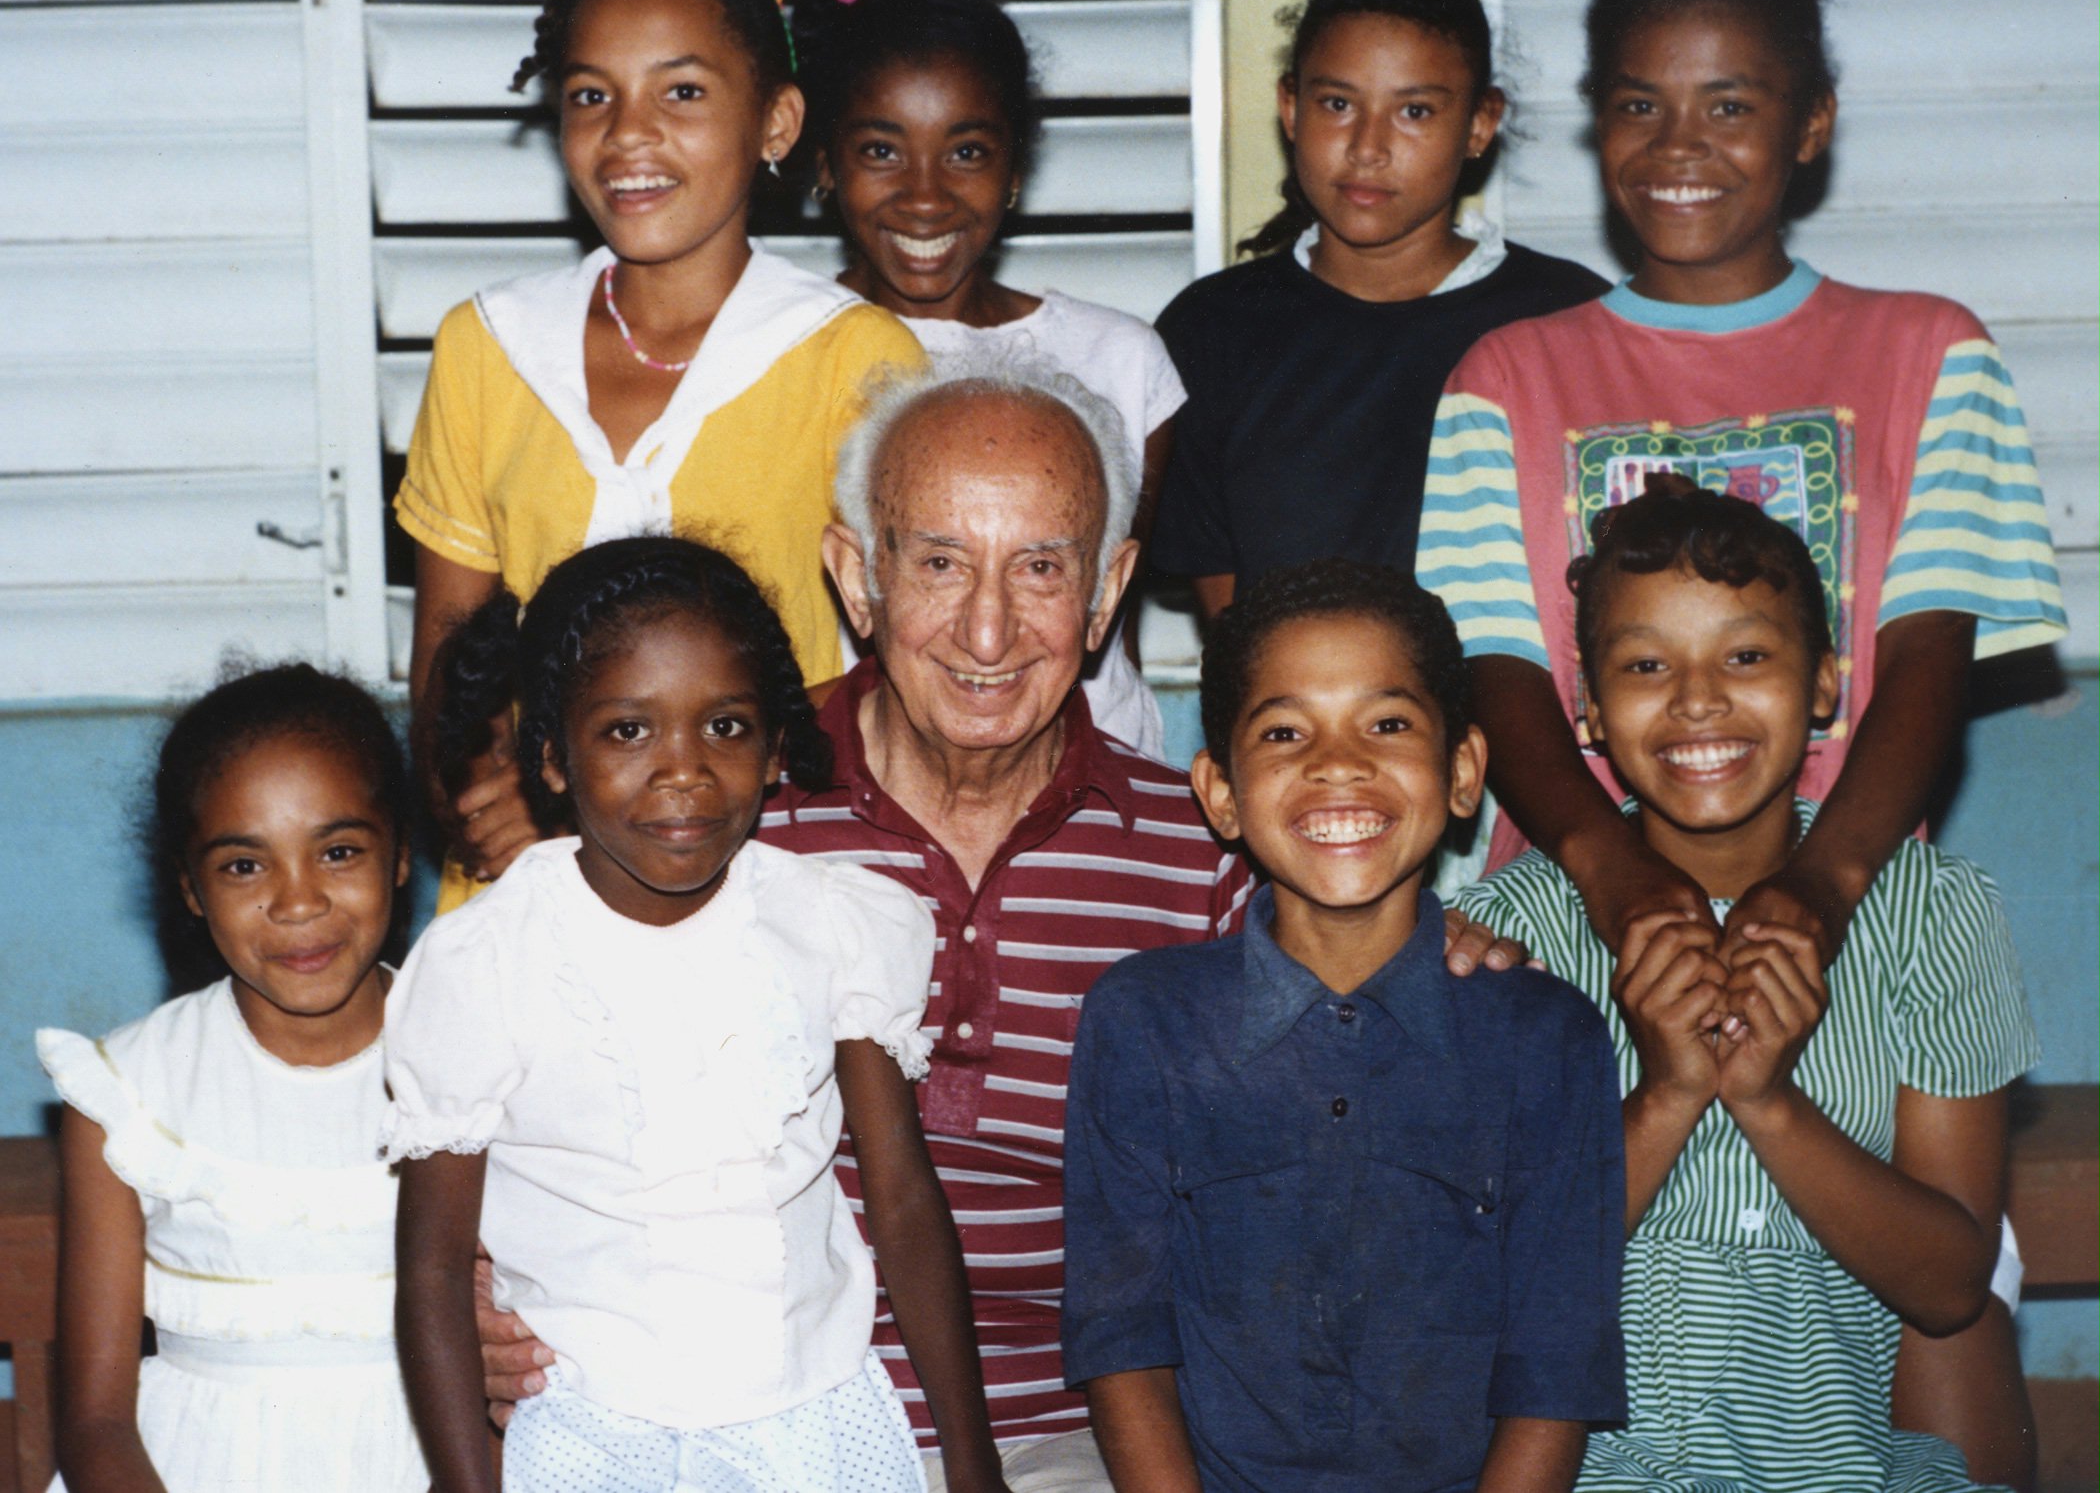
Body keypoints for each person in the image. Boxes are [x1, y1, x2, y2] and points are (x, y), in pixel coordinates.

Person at [472, 361, 1528, 1492]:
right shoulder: (709, 823)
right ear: (857, 576)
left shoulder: (1208, 857)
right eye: (937, 562)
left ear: (1108, 588)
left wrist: (1422, 941)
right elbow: (504, 1105)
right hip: (747, 1425)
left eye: (1040, 566)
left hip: (1089, 1439)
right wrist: (486, 1288)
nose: (988, 627)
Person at [1414, 0, 2063, 1480]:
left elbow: (1923, 658)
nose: (1678, 143)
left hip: (1847, 923)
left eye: (1730, 102)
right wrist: (1621, 883)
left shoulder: (1930, 351)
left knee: (1944, 1293)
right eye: (1638, 102)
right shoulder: (1512, 374)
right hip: (1579, 912)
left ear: (1812, 125)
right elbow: (1498, 670)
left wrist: (1825, 895)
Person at [1450, 476, 2038, 1492]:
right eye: (1644, 664)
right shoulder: (1518, 931)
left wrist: (1768, 1102)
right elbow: (1480, 1279)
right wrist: (1670, 1094)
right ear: (1587, 707)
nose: (1697, 698)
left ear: (1823, 685)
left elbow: (1950, 1287)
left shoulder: (1933, 911)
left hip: (1843, 1468)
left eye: (1747, 654)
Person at [386, 535, 1007, 1492]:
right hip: (593, 1435)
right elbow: (431, 1270)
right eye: (629, 731)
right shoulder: (486, 966)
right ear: (551, 756)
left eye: (724, 727)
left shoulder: (830, 924)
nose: (684, 772)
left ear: (772, 753)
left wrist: (971, 1465)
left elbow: (904, 1199)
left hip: (815, 1423)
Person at [1064, 558, 1626, 1492]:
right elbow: (1124, 1342)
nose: (1337, 762)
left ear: (1462, 773)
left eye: (1388, 722)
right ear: (1220, 792)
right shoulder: (1145, 1023)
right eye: (1285, 731)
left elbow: (1554, 1369)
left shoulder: (1546, 1039)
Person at [394, 0, 925, 910]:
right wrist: (496, 789)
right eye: (591, 96)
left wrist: (630, 793)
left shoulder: (854, 357)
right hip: (524, 893)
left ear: (776, 120)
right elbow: (446, 660)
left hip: (766, 881)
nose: (628, 134)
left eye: (680, 94)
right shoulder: (487, 345)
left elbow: (903, 675)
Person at [37, 664, 425, 1493]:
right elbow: (96, 1422)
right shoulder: (129, 1093)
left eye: (340, 851)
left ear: (400, 857)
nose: (298, 902)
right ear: (190, 887)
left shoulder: (471, 1058)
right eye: (246, 867)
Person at [1150, 0, 1607, 618]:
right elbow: (1232, 629)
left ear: (1481, 124)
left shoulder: (1567, 320)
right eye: (1338, 104)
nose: (1368, 148)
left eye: (1415, 111)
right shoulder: (1212, 332)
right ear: (1291, 107)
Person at [786, 0, 1180, 755]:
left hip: (1092, 777)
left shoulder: (1120, 360)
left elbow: (1109, 628)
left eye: (965, 152)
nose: (925, 196)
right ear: (825, 163)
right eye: (880, 151)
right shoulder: (781, 350)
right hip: (851, 780)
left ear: (1015, 170)